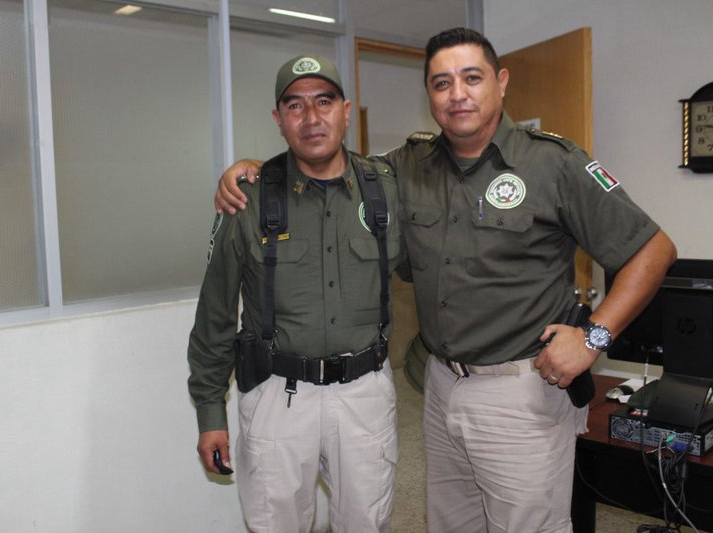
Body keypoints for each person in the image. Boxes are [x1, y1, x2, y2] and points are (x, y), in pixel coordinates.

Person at [213, 28, 677, 533]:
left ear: (501, 83)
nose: (457, 94)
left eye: (471, 78)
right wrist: (258, 171)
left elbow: (653, 250)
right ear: (429, 95)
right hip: (439, 387)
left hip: (520, 392)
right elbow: (327, 165)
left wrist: (593, 338)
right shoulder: (404, 168)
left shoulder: (554, 163)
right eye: (441, 83)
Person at [187, 54, 406, 533]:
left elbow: (433, 271)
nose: (312, 118)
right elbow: (216, 316)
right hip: (277, 398)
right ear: (278, 120)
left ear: (346, 110)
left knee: (368, 524)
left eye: (324, 101)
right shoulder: (247, 199)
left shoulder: (387, 191)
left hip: (364, 393)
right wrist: (210, 412)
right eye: (295, 105)